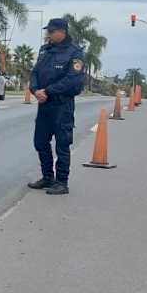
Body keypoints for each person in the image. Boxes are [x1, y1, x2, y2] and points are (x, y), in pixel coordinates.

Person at [27, 18, 86, 195]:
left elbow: (72, 80)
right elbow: (35, 72)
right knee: (40, 142)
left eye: (52, 31)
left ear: (63, 32)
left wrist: (48, 91)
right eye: (48, 31)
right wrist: (35, 89)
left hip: (62, 105)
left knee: (62, 144)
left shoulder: (75, 53)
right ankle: (47, 177)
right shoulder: (45, 50)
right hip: (44, 105)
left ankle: (61, 182)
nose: (49, 34)